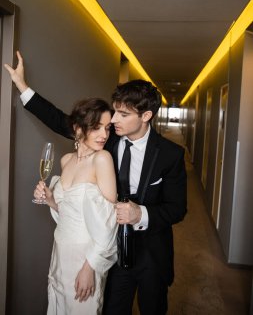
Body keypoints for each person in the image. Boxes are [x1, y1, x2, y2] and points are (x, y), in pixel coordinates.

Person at [5, 52, 187, 315]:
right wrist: (22, 86)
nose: (112, 121)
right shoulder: (104, 139)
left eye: (123, 114)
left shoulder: (171, 154)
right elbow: (60, 120)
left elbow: (177, 208)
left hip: (151, 253)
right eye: (115, 112)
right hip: (110, 253)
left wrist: (140, 213)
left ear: (146, 115)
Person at [28, 95, 117, 314]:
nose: (104, 135)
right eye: (97, 128)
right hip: (60, 252)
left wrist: (90, 267)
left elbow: (110, 221)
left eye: (107, 128)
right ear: (78, 129)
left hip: (85, 257)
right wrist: (50, 199)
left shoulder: (102, 159)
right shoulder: (66, 160)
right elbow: (69, 213)